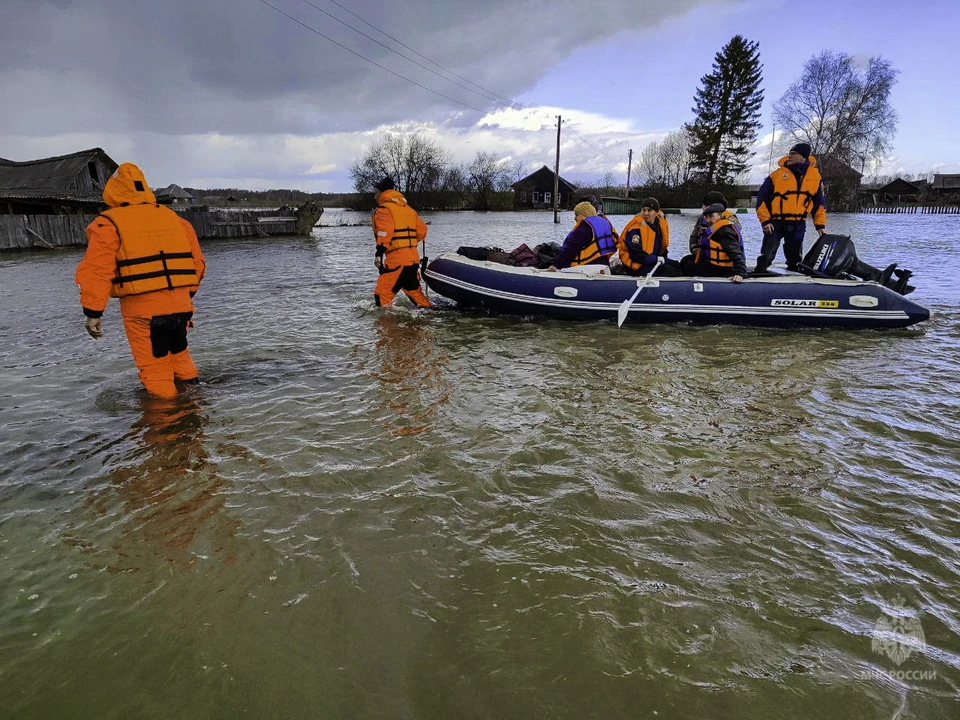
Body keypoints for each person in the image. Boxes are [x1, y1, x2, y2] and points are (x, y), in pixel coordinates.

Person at [75, 162, 206, 399]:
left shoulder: (108, 224)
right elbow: (197, 263)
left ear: (113, 191)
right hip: (181, 305)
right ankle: (194, 400)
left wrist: (93, 312)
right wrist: (186, 294)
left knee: (154, 368)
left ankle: (166, 424)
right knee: (179, 354)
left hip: (143, 311)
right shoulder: (176, 220)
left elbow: (96, 270)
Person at [754, 142, 826, 272]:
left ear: (803, 157)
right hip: (775, 223)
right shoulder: (776, 175)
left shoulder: (815, 177)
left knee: (795, 258)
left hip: (798, 224)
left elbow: (819, 204)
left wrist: (820, 226)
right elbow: (761, 199)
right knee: (767, 254)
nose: (790, 156)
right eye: (790, 153)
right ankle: (760, 272)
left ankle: (794, 280)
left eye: (793, 154)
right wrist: (765, 221)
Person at [371, 176, 430, 308]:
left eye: (375, 193)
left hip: (396, 262)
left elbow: (384, 232)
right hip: (413, 261)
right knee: (416, 296)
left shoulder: (384, 210)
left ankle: (385, 327)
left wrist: (379, 254)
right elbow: (422, 231)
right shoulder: (409, 210)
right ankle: (430, 319)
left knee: (381, 296)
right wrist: (407, 244)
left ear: (382, 193)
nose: (374, 197)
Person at [680, 203, 746, 282]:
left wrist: (740, 273)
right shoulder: (714, 228)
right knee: (686, 260)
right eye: (706, 217)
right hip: (713, 263)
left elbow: (736, 253)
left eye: (711, 216)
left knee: (689, 267)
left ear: (720, 215)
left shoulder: (724, 231)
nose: (708, 220)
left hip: (723, 269)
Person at [616, 197, 681, 277]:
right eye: (644, 210)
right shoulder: (635, 229)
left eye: (649, 210)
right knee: (671, 271)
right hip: (637, 265)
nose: (646, 213)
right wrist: (657, 259)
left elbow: (661, 248)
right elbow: (636, 254)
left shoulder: (658, 226)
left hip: (651, 261)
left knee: (678, 266)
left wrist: (664, 260)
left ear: (656, 212)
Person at [547, 201, 617, 271]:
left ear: (584, 215)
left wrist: (555, 265)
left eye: (576, 215)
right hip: (603, 265)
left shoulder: (583, 229)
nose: (574, 218)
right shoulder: (602, 226)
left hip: (585, 267)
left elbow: (570, 250)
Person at [688, 191, 742, 257]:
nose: (702, 207)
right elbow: (694, 236)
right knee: (685, 261)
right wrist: (694, 249)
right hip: (705, 256)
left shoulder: (730, 222)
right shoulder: (702, 218)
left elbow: (734, 250)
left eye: (705, 205)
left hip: (722, 261)